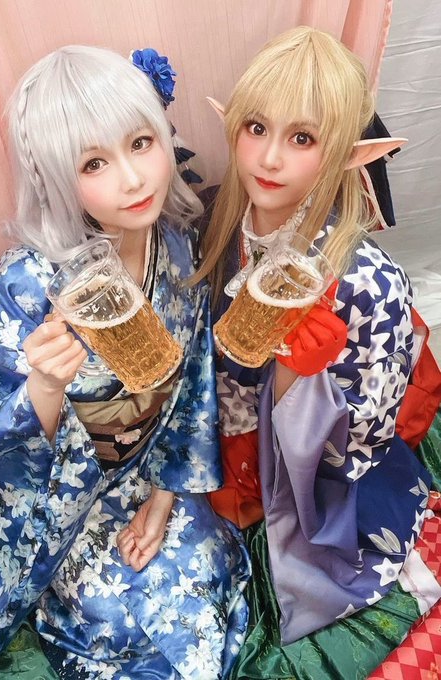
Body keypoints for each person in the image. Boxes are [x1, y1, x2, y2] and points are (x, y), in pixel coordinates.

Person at [0, 45, 249, 679]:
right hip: (57, 497)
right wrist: (44, 387)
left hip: (146, 470)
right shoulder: (27, 283)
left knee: (201, 578)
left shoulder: (176, 244)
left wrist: (163, 499)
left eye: (141, 144)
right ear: (55, 178)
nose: (132, 179)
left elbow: (192, 384)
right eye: (94, 163)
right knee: (113, 619)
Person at [194, 26, 441, 678]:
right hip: (221, 431)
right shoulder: (216, 221)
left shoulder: (370, 284)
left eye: (302, 138)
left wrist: (299, 381)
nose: (269, 159)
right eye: (256, 128)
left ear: (343, 155)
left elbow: (366, 438)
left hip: (313, 469)